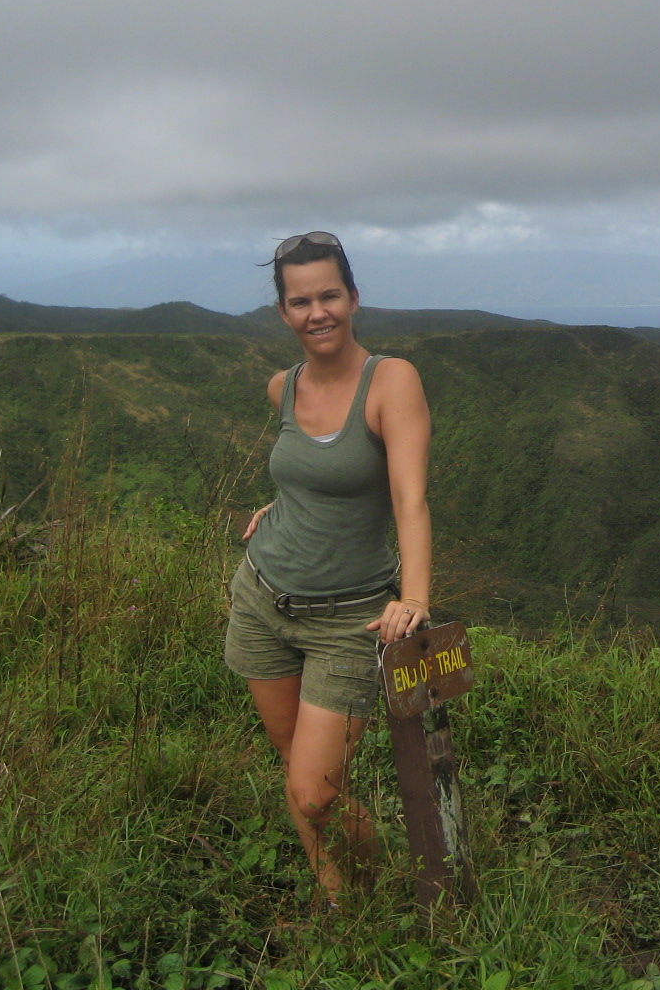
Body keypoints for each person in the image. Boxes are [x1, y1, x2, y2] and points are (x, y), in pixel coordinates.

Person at [223, 230, 432, 903]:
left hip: (349, 617)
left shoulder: (390, 381)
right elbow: (308, 475)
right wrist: (279, 505)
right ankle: (337, 899)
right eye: (301, 301)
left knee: (315, 792)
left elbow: (409, 498)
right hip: (263, 598)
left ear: (354, 299)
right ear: (283, 312)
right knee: (295, 767)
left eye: (330, 296)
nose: (318, 312)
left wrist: (415, 598)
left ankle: (376, 889)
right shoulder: (281, 388)